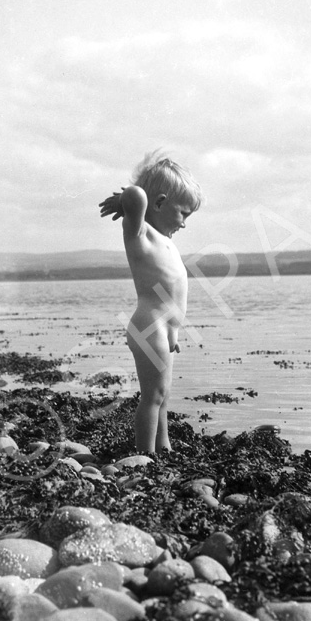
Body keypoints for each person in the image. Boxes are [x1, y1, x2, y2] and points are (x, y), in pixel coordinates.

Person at [99, 152, 202, 453]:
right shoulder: (140, 234)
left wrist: (175, 332)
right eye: (183, 213)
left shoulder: (167, 243)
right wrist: (126, 202)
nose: (184, 223)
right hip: (148, 327)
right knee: (152, 397)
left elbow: (172, 295)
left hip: (161, 330)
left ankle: (164, 446)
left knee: (163, 394)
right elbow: (134, 195)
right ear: (158, 203)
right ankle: (145, 453)